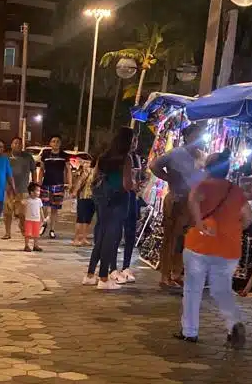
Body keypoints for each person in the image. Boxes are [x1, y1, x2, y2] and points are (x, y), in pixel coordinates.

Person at [177, 151, 252, 347]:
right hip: (228, 249)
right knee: (222, 290)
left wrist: (200, 223)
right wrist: (233, 229)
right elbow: (249, 218)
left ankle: (190, 331)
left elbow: (192, 204)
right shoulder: (236, 190)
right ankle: (233, 324)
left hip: (199, 245)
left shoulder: (201, 186)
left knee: (193, 289)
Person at [150, 123, 206, 287]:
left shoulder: (201, 156)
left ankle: (177, 272)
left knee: (187, 240)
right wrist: (169, 178)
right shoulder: (175, 153)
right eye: (196, 136)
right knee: (171, 238)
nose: (199, 139)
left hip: (193, 202)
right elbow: (154, 165)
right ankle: (165, 275)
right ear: (187, 137)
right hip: (177, 198)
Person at [84, 127, 135, 290]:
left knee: (102, 235)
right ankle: (104, 278)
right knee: (111, 238)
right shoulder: (126, 159)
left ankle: (90, 275)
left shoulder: (103, 157)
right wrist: (135, 185)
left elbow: (95, 177)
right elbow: (127, 184)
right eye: (133, 139)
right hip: (118, 200)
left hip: (102, 199)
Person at [117, 135, 147, 282]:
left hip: (132, 197)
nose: (134, 143)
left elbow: (139, 176)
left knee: (130, 232)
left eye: (136, 140)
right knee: (115, 232)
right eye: (132, 140)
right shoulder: (119, 157)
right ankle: (110, 268)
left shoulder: (135, 157)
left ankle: (126, 266)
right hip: (120, 197)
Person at [37, 136, 72, 239]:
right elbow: (42, 169)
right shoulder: (45, 154)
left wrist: (70, 183)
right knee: (43, 206)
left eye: (57, 141)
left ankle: (52, 230)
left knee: (55, 208)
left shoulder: (64, 155)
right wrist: (39, 181)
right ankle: (44, 222)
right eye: (53, 141)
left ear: (60, 143)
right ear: (50, 143)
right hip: (46, 183)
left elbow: (68, 169)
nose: (55, 143)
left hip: (58, 184)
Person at [5, 137, 37, 239]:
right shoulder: (6, 157)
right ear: (11, 145)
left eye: (19, 143)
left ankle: (24, 231)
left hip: (23, 189)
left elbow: (34, 170)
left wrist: (34, 184)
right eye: (15, 143)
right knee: (7, 213)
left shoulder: (28, 157)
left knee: (22, 214)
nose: (17, 145)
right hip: (8, 190)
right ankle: (7, 233)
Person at [72, 157, 96, 246]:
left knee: (87, 219)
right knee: (81, 219)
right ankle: (76, 238)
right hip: (83, 196)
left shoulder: (96, 172)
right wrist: (74, 192)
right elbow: (79, 182)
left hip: (92, 197)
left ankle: (84, 238)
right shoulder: (85, 171)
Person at [23, 183, 44, 252]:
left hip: (37, 220)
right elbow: (23, 207)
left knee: (36, 234)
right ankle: (26, 245)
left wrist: (43, 218)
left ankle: (35, 245)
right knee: (27, 234)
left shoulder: (39, 200)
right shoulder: (27, 200)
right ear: (31, 192)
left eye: (39, 191)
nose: (39, 192)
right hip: (28, 220)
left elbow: (41, 209)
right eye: (37, 191)